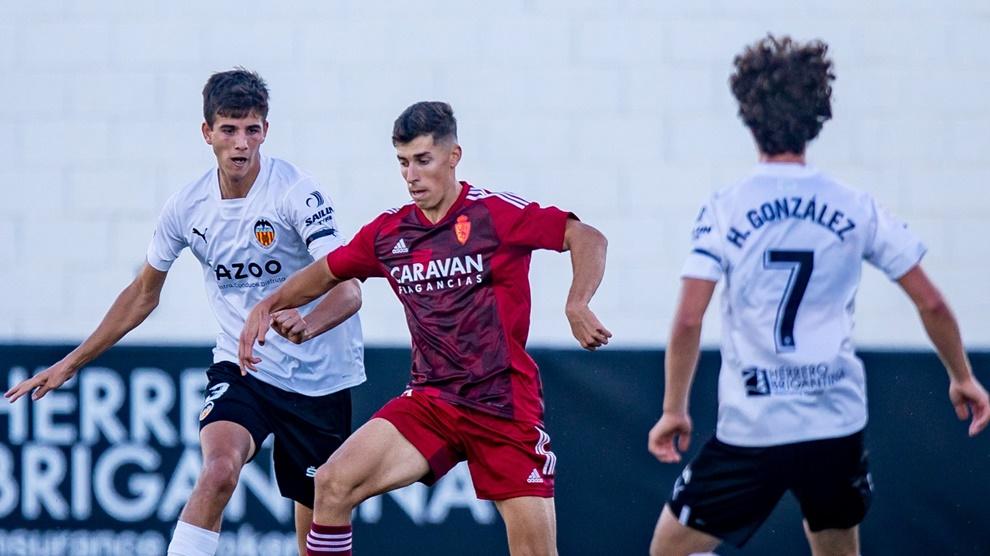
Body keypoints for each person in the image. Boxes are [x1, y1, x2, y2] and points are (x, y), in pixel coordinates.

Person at [646, 35, 990, 556]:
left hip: (754, 426)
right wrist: (962, 376)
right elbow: (933, 302)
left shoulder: (725, 208)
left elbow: (689, 319)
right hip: (835, 423)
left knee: (669, 549)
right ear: (818, 116)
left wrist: (675, 409)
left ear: (748, 113)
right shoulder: (855, 206)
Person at [4, 68, 366, 556]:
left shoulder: (296, 192)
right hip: (245, 368)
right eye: (229, 129)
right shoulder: (188, 207)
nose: (241, 143)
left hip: (319, 378)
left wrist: (307, 323)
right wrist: (70, 364)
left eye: (252, 129)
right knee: (218, 471)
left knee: (318, 522)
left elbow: (349, 289)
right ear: (207, 133)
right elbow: (142, 293)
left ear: (266, 131)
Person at [239, 101, 611, 556]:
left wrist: (577, 303)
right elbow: (328, 272)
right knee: (333, 483)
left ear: (453, 156)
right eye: (402, 162)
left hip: (502, 405)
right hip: (431, 402)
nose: (411, 175)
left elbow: (586, 236)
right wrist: (270, 304)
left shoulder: (493, 214)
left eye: (422, 160)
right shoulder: (390, 233)